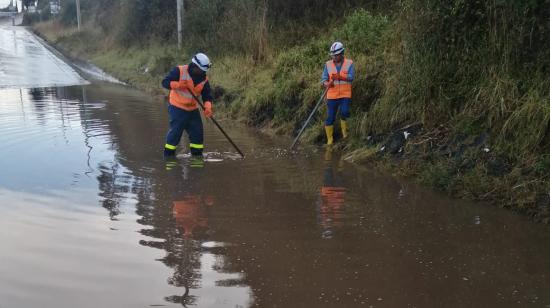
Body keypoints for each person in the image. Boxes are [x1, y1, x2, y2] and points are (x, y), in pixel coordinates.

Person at [161, 53, 214, 157]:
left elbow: (207, 95)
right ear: (195, 66)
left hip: (192, 109)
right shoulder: (179, 71)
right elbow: (165, 82)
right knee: (176, 133)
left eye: (204, 70)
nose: (203, 72)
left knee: (197, 134)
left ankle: (197, 158)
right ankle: (168, 157)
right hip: (177, 107)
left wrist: (208, 107)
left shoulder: (204, 78)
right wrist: (178, 85)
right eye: (202, 70)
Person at [321, 41, 355, 145]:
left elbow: (351, 77)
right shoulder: (328, 64)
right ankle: (330, 140)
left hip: (345, 94)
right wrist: (327, 84)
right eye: (333, 55)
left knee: (345, 112)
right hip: (332, 95)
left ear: (341, 53)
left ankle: (345, 133)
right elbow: (323, 80)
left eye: (336, 55)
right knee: (330, 117)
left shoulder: (350, 63)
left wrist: (340, 77)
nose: (334, 57)